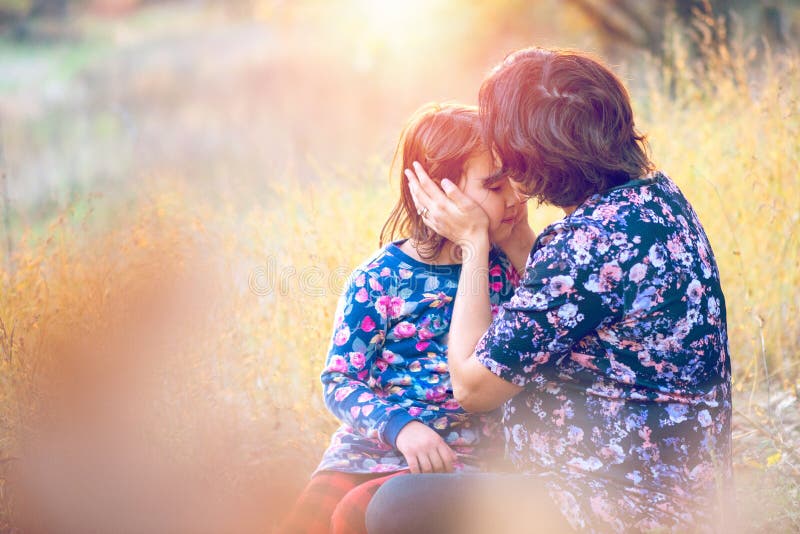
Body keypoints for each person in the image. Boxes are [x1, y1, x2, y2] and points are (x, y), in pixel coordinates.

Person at [367, 47, 733, 533]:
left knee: (398, 505)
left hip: (617, 505)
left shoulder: (587, 244)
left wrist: (473, 244)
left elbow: (473, 386)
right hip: (671, 493)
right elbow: (578, 300)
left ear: (529, 155)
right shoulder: (653, 200)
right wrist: (515, 237)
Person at [278, 102, 528, 534]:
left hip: (458, 462)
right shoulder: (380, 279)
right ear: (438, 192)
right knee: (308, 521)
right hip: (372, 449)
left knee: (355, 515)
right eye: (494, 185)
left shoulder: (507, 268)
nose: (514, 197)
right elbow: (340, 381)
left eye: (513, 181)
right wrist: (401, 427)